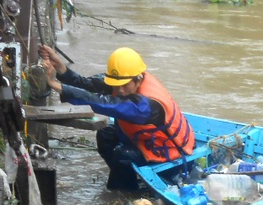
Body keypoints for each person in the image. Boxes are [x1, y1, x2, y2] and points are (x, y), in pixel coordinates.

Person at [39, 45, 195, 191]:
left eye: (125, 85)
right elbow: (86, 84)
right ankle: (126, 177)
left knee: (122, 155)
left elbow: (99, 102)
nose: (119, 90)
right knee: (105, 133)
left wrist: (53, 83)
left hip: (170, 152)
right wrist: (60, 67)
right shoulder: (126, 80)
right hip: (148, 138)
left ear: (138, 79)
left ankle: (124, 191)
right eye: (116, 84)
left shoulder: (146, 105)